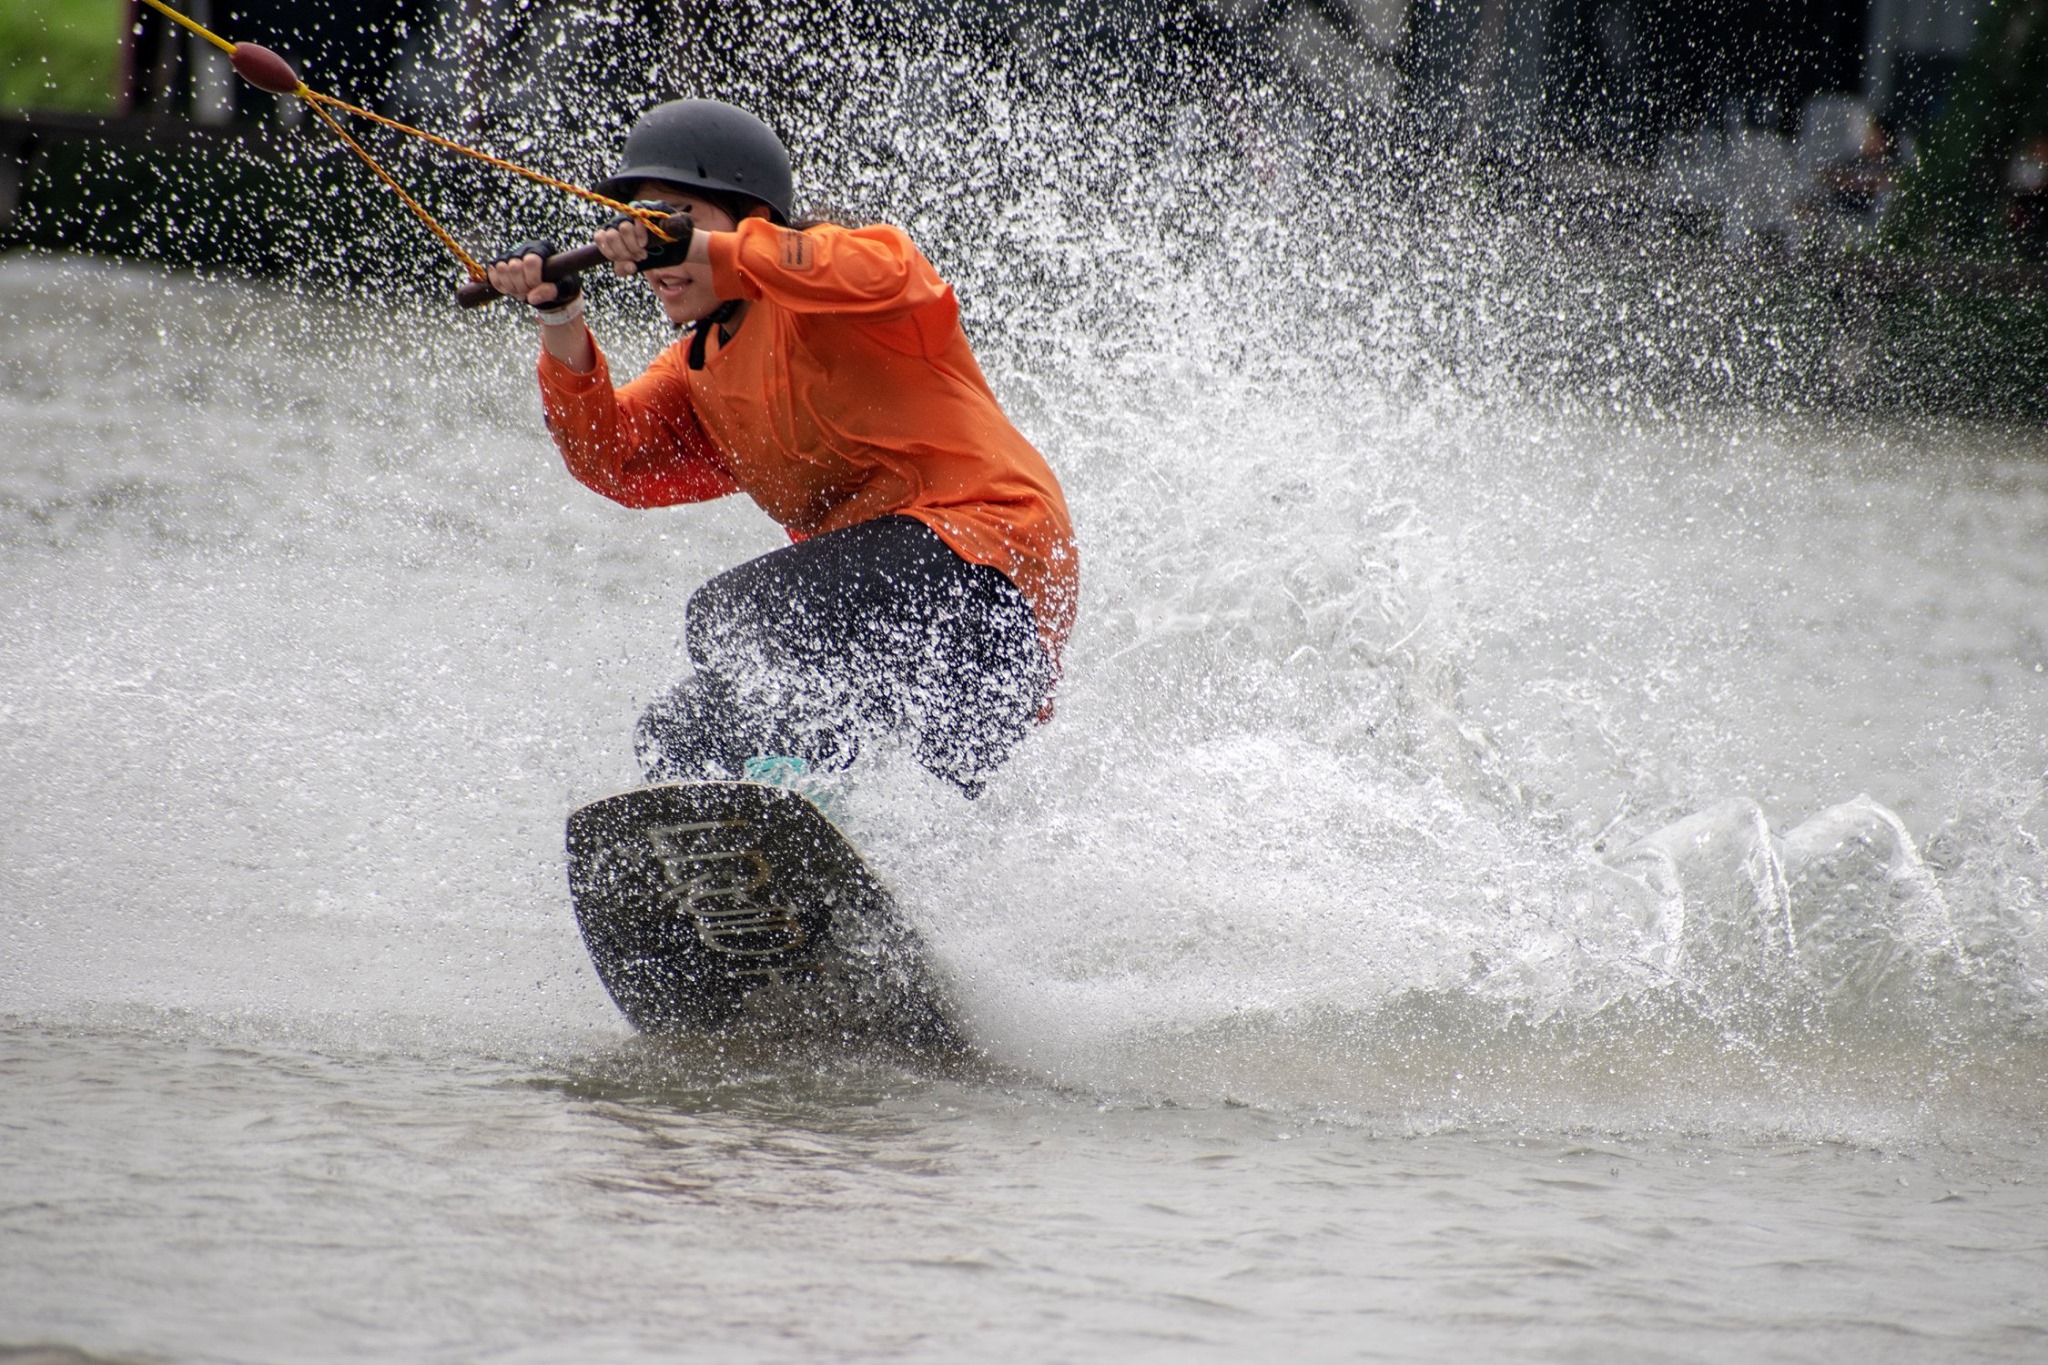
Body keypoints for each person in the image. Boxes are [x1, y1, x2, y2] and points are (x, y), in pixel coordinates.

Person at [485, 98, 1077, 799]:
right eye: (638, 224)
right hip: (917, 648)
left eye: (671, 219)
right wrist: (560, 316)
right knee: (682, 734)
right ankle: (789, 871)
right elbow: (611, 456)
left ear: (751, 222)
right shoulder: (695, 370)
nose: (649, 250)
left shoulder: (833, 284)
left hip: (994, 578)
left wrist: (705, 249)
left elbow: (889, 266)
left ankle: (803, 795)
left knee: (730, 619)